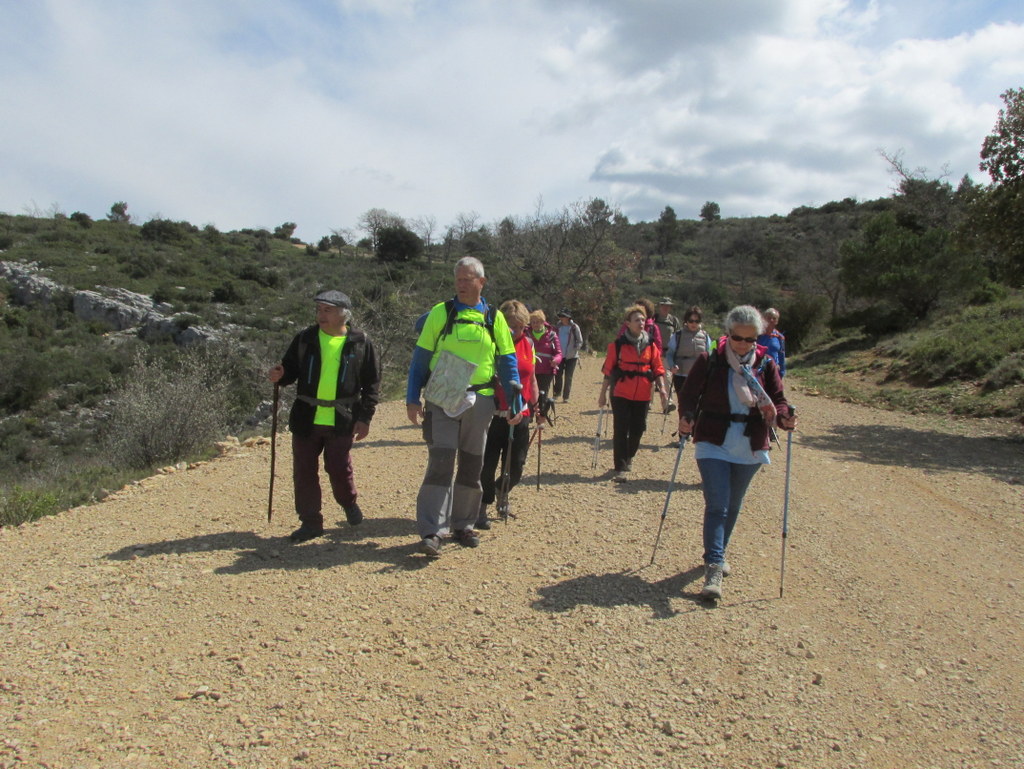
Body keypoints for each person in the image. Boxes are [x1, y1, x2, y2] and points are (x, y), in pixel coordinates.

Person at [677, 304, 796, 600]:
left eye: (749, 339)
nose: (743, 344)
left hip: (750, 443)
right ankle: (714, 566)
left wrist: (784, 418)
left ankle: (717, 552)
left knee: (733, 503)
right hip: (712, 441)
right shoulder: (710, 360)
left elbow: (778, 400)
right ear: (727, 334)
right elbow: (689, 394)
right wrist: (687, 415)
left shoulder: (765, 364)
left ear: (758, 338)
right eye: (737, 338)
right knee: (717, 504)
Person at [406, 256, 521, 557]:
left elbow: (508, 362)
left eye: (467, 279)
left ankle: (463, 524)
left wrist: (515, 402)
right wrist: (411, 397)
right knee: (441, 462)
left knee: (472, 463)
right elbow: (420, 358)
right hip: (442, 396)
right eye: (457, 279)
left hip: (480, 399)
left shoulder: (494, 317)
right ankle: (433, 530)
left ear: (481, 282)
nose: (461, 284)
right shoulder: (439, 313)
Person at [268, 290, 381, 542]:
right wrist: (280, 375)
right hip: (307, 418)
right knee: (304, 472)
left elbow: (372, 384)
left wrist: (365, 418)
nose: (321, 315)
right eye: (319, 309)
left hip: (342, 419)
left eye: (327, 310)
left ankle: (348, 502)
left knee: (338, 468)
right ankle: (311, 522)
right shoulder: (305, 338)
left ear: (344, 314)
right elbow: (289, 372)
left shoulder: (361, 341)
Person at [477, 300, 540, 530]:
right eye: (511, 325)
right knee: (487, 464)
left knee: (516, 467)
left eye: (520, 326)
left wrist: (536, 408)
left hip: (520, 413)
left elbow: (531, 379)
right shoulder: (490, 343)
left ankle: (502, 492)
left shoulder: (529, 345)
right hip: (492, 414)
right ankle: (482, 506)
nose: (515, 330)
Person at [598, 305, 666, 483]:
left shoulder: (651, 345)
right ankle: (619, 466)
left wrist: (663, 391)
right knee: (620, 429)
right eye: (637, 320)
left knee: (638, 428)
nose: (641, 323)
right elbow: (608, 370)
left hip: (643, 394)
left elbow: (658, 368)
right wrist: (602, 394)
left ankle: (629, 455)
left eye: (643, 320)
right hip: (620, 393)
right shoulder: (617, 345)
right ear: (628, 323)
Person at [667, 305, 713, 399]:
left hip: (699, 376)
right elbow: (670, 353)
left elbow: (710, 355)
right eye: (691, 321)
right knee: (684, 403)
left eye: (697, 321)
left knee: (697, 404)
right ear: (686, 321)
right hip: (681, 376)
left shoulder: (705, 336)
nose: (693, 323)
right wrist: (672, 366)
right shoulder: (678, 335)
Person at [529, 309, 562, 399]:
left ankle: (543, 412)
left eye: (537, 322)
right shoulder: (527, 334)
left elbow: (559, 353)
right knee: (530, 395)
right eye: (533, 322)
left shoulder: (552, 335)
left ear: (543, 322)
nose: (535, 324)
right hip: (530, 369)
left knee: (542, 395)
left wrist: (556, 360)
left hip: (546, 370)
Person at [552, 308, 583, 404]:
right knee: (558, 375)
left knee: (568, 376)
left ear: (568, 317)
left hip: (572, 356)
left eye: (563, 316)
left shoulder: (574, 327)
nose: (561, 318)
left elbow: (580, 341)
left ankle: (566, 397)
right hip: (560, 355)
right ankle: (556, 394)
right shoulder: (558, 326)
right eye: (560, 316)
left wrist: (575, 349)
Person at [654, 297, 681, 399]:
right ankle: (648, 403)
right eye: (663, 305)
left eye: (668, 306)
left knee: (667, 377)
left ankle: (668, 401)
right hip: (654, 352)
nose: (665, 307)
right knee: (651, 379)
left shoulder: (674, 320)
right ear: (659, 306)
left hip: (668, 352)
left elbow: (678, 336)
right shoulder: (654, 318)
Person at [757, 307, 786, 377]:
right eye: (769, 317)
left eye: (774, 318)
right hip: (758, 371)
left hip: (773, 370)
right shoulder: (757, 335)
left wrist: (781, 372)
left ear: (777, 321)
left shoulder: (779, 337)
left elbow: (781, 355)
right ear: (763, 319)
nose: (771, 320)